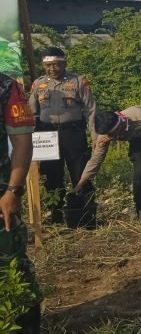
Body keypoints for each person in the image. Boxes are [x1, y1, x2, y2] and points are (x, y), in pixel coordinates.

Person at [74, 107, 141, 220]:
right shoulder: (104, 136)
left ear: (120, 125)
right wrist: (81, 183)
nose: (112, 138)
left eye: (113, 134)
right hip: (138, 139)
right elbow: (95, 160)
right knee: (139, 174)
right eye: (110, 135)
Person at [29, 47, 97, 225]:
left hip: (72, 133)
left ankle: (86, 215)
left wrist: (95, 136)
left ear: (64, 63)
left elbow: (91, 110)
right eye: (49, 65)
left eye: (57, 65)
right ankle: (56, 214)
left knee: (80, 173)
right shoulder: (38, 84)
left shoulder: (79, 81)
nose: (53, 69)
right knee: (52, 175)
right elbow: (32, 113)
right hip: (47, 134)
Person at [0, 73, 38, 333]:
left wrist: (13, 190)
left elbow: (23, 141)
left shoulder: (5, 87)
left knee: (11, 262)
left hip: (1, 192)